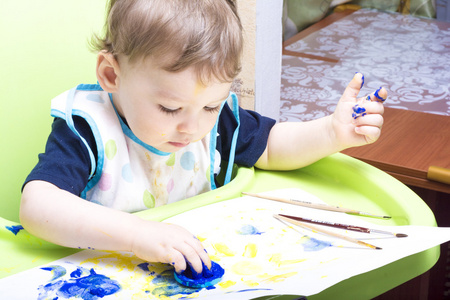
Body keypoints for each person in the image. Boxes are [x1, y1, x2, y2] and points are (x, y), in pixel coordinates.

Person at [20, 0, 386, 276]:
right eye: (168, 108)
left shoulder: (216, 121)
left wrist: (331, 132)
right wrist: (136, 234)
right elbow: (37, 206)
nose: (193, 128)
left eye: (210, 107)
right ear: (111, 75)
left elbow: (272, 147)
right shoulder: (89, 129)